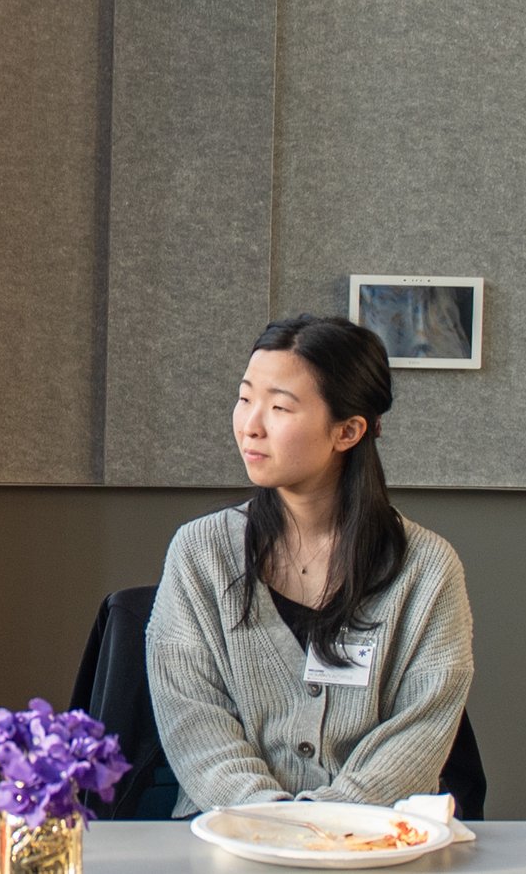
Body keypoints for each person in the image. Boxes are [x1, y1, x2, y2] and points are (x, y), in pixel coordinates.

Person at [148, 314, 472, 811]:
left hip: (373, 841)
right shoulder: (200, 552)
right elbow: (193, 721)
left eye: (279, 406)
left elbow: (422, 728)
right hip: (232, 836)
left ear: (348, 431)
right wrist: (274, 822)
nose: (250, 425)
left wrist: (329, 825)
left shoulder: (427, 568)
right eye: (244, 398)